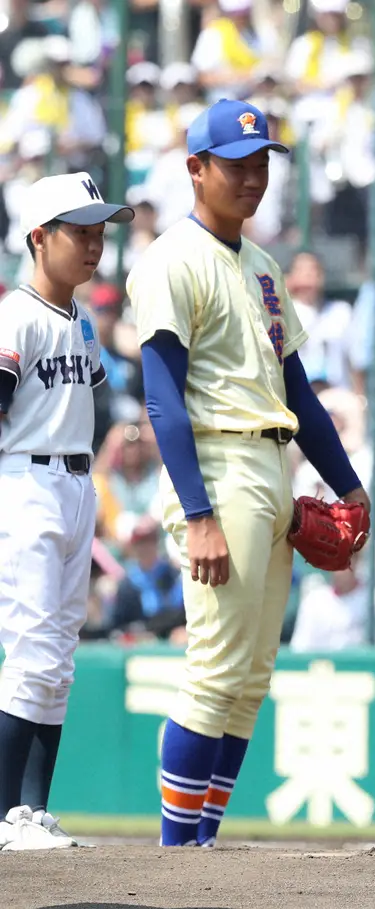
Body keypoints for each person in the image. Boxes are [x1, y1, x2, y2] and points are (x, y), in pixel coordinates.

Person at [126, 99, 370, 848]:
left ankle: (202, 842)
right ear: (195, 169)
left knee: (251, 676)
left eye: (262, 162)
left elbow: (300, 392)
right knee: (215, 668)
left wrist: (349, 482)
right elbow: (162, 398)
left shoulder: (263, 266)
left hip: (274, 464)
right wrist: (197, 511)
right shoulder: (171, 258)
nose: (253, 176)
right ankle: (175, 853)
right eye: (236, 163)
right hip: (219, 464)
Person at [0, 172, 133, 849]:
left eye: (98, 231)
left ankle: (32, 809)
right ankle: (3, 814)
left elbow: (98, 401)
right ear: (38, 237)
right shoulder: (14, 314)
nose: (93, 243)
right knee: (29, 653)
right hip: (25, 482)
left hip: (75, 484)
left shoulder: (80, 320)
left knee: (57, 656)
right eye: (78, 231)